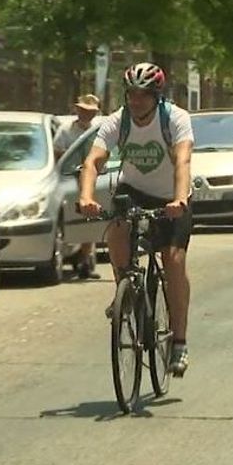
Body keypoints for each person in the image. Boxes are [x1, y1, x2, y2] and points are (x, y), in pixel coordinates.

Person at [76, 62, 195, 377]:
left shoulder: (176, 119)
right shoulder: (118, 121)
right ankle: (125, 291)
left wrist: (179, 199)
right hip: (134, 191)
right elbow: (93, 161)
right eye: (131, 94)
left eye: (143, 95)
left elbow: (183, 160)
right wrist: (86, 197)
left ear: (157, 96)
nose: (136, 101)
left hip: (172, 196)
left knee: (173, 260)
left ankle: (179, 341)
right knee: (116, 229)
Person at [54, 93, 104, 279]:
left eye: (90, 112)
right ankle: (71, 254)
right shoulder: (65, 131)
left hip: (92, 182)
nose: (86, 114)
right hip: (68, 181)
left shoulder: (97, 132)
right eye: (83, 110)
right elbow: (57, 153)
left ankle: (85, 259)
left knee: (89, 219)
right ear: (76, 110)